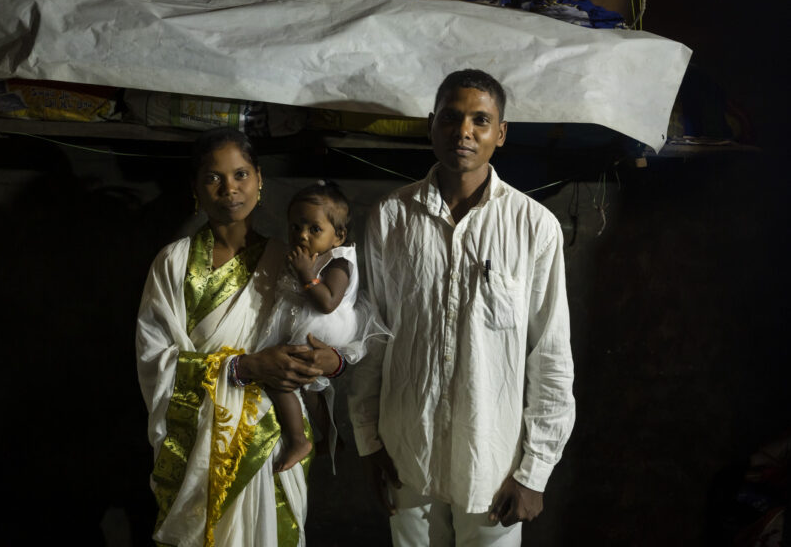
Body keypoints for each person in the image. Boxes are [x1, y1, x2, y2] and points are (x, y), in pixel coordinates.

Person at [348, 69, 576, 546]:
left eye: (480, 120)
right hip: (406, 451)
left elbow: (550, 356)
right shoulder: (391, 218)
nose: (464, 132)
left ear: (501, 133)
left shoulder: (534, 227)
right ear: (432, 124)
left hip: (492, 462)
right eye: (451, 118)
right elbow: (370, 337)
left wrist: (535, 470)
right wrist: (369, 442)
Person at [135, 127, 343, 547]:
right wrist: (243, 368)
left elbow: (333, 331)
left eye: (241, 174)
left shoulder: (292, 264)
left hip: (275, 449)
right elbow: (154, 361)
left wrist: (332, 361)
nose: (229, 188)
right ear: (195, 187)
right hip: (199, 448)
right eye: (213, 178)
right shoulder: (174, 263)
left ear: (260, 180)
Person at [258, 180, 359, 472]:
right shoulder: (303, 256)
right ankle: (329, 436)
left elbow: (327, 302)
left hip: (323, 325)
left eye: (314, 229)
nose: (302, 235)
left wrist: (305, 274)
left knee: (279, 380)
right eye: (295, 227)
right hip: (309, 323)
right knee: (309, 388)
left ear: (338, 236)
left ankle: (298, 439)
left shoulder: (338, 263)